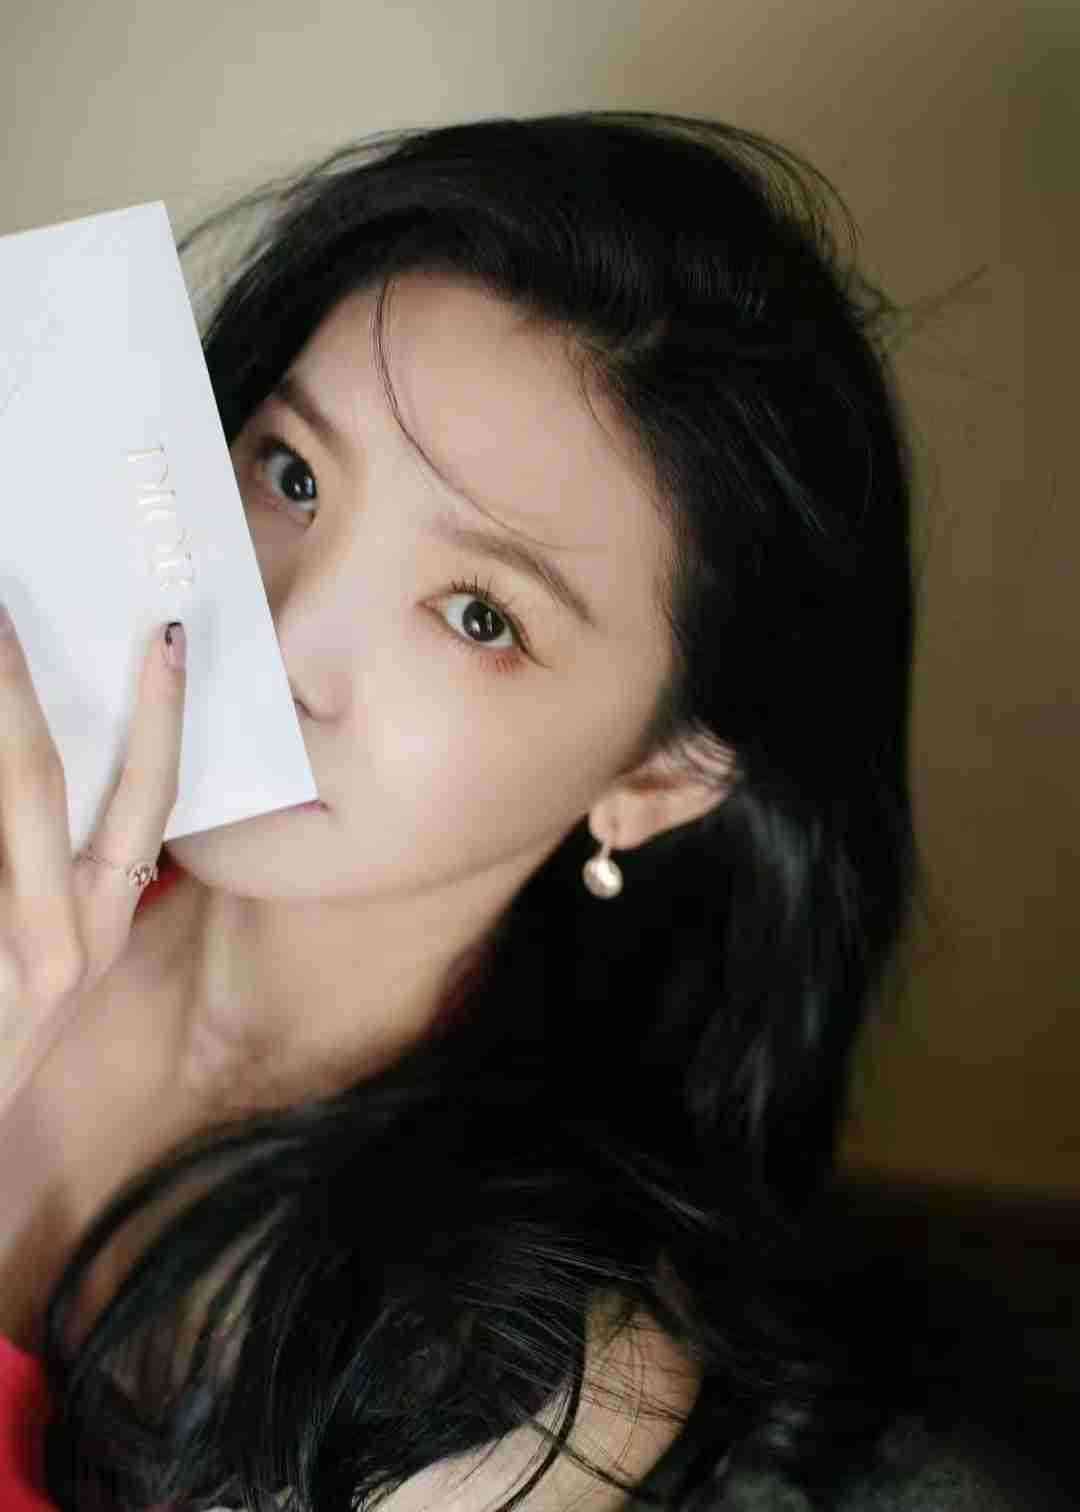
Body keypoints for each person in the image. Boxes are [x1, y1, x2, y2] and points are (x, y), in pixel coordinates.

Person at [0, 112, 1049, 1511]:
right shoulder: (32, 820)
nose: (280, 631)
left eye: (478, 613)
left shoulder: (535, 1384)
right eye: (293, 474)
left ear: (657, 778)